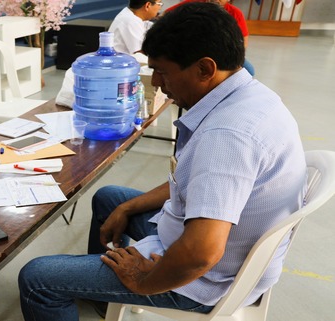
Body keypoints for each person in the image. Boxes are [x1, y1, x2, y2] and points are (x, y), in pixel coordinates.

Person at [18, 3, 307, 320]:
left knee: (37, 278)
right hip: (220, 245)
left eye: (162, 71)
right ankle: (101, 297)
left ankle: (100, 288)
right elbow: (194, 182)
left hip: (205, 280)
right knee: (110, 199)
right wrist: (128, 207)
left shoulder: (227, 137)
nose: (155, 82)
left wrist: (143, 281)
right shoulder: (251, 94)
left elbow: (200, 254)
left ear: (204, 69)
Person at [165, 0, 255, 75]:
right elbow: (166, 14)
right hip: (192, 50)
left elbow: (243, 40)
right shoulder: (193, 4)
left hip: (223, 53)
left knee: (249, 70)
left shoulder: (235, 13)